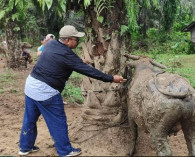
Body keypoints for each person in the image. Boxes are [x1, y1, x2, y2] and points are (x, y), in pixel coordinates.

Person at [18, 25, 126, 156]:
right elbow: (89, 71)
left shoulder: (51, 44)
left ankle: (25, 147)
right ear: (68, 40)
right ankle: (65, 151)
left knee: (29, 119)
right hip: (46, 91)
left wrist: (79, 61)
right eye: (76, 39)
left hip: (31, 85)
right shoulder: (66, 55)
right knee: (58, 122)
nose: (78, 42)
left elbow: (61, 56)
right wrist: (111, 78)